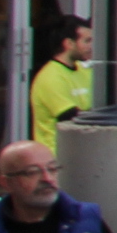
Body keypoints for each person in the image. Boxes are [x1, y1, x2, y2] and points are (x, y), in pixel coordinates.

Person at [32, 19, 95, 151]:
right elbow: (70, 117)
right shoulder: (50, 77)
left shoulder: (84, 71)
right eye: (87, 41)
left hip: (82, 153)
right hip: (58, 157)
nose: (92, 46)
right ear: (69, 43)